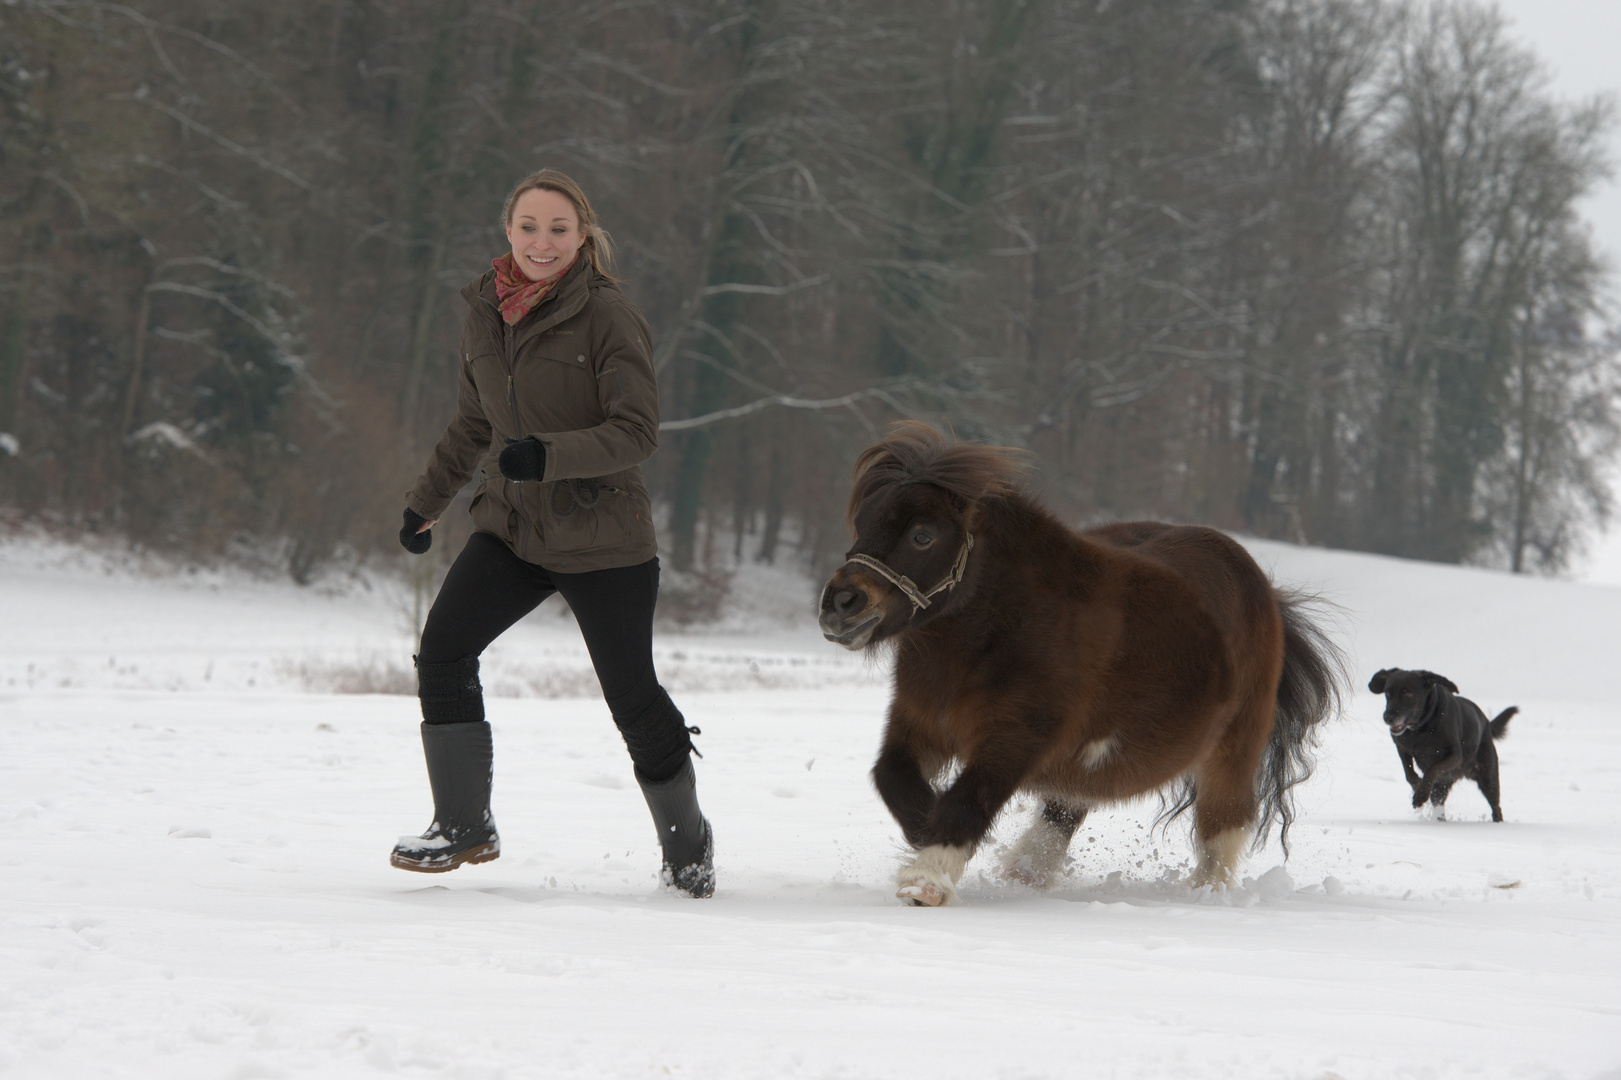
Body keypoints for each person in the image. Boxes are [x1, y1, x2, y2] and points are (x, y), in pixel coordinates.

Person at [390, 169, 713, 898]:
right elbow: (475, 421)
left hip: (604, 539)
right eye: (529, 227)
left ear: (582, 236)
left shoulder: (608, 315)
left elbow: (637, 431)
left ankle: (687, 843)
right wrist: (426, 502)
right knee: (443, 652)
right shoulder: (485, 310)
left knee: (632, 700)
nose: (542, 242)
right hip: (512, 527)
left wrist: (550, 456)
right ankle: (462, 825)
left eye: (558, 229)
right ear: (508, 230)